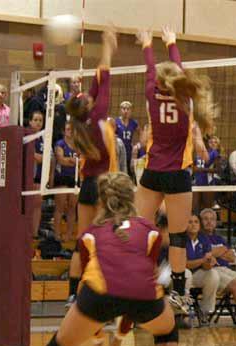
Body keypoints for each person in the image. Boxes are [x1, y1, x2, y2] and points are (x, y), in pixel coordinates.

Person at [13, 173, 178, 346]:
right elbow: (136, 286)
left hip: (98, 297)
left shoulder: (89, 235)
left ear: (100, 202)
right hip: (144, 297)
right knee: (167, 333)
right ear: (132, 198)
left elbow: (89, 288)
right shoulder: (151, 231)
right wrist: (118, 337)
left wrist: (98, 337)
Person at [134, 27, 214, 314]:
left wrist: (147, 44)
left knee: (140, 230)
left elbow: (149, 70)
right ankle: (180, 293)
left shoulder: (150, 94)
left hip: (153, 171)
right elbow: (175, 69)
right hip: (178, 174)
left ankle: (137, 284)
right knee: (178, 237)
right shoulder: (186, 101)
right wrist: (171, 42)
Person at [65, 28, 118, 306]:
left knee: (81, 242)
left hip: (86, 186)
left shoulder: (79, 123)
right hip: (103, 187)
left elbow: (97, 84)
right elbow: (105, 77)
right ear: (86, 105)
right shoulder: (98, 116)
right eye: (85, 95)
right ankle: (100, 293)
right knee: (103, 243)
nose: (88, 93)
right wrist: (108, 45)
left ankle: (73, 294)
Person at [186, 214, 221, 325]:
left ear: (200, 225)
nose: (193, 224)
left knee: (213, 274)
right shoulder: (180, 239)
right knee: (186, 274)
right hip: (182, 274)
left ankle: (205, 311)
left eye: (196, 222)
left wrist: (210, 262)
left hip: (197, 275)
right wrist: (202, 260)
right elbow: (184, 264)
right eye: (190, 222)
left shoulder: (203, 238)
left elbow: (206, 266)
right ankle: (182, 313)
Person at [53, 122, 78, 242]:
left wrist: (71, 161)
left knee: (72, 207)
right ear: (64, 131)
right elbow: (61, 160)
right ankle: (57, 234)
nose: (70, 131)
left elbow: (82, 160)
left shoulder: (78, 145)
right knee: (60, 207)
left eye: (72, 129)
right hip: (62, 177)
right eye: (68, 129)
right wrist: (73, 161)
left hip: (74, 178)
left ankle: (69, 234)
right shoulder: (60, 144)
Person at [31, 111, 45, 239]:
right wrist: (37, 157)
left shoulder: (44, 137)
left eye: (40, 120)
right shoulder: (27, 136)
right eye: (35, 120)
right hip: (28, 177)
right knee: (28, 204)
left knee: (38, 204)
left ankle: (34, 234)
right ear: (30, 122)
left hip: (40, 176)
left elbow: (48, 158)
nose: (38, 122)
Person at [115, 101, 139, 176]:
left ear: (131, 111)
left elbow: (141, 133)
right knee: (119, 173)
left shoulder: (134, 123)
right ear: (120, 110)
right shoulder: (116, 122)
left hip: (129, 152)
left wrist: (137, 145)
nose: (126, 111)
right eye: (123, 108)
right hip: (119, 152)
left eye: (128, 109)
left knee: (129, 173)